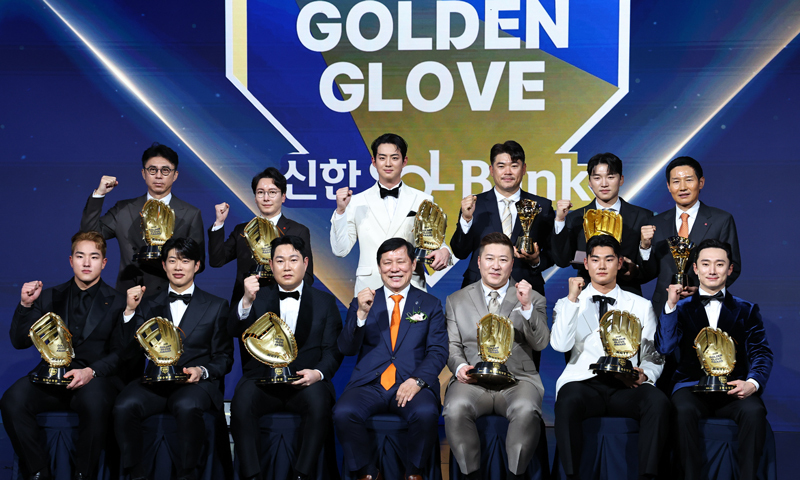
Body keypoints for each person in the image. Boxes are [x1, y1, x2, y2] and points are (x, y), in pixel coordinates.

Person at [1, 231, 127, 480]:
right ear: (71, 261)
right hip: (50, 379)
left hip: (92, 379)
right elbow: (19, 341)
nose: (87, 263)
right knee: (12, 400)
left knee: (95, 403)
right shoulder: (48, 296)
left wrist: (90, 372)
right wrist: (26, 305)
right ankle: (38, 471)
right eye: (80, 256)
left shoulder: (118, 301)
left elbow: (121, 352)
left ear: (104, 262)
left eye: (94, 257)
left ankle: (83, 474)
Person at [550, 235, 670, 480]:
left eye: (609, 259)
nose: (602, 266)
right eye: (595, 260)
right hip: (584, 383)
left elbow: (653, 354)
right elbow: (560, 345)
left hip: (625, 386)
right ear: (586, 264)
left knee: (657, 401)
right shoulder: (567, 304)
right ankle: (571, 475)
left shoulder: (640, 305)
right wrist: (572, 300)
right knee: (567, 400)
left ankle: (648, 475)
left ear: (620, 263)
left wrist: (645, 374)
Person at [113, 237, 233, 480]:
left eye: (185, 261)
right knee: (124, 406)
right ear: (164, 265)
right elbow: (127, 351)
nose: (178, 267)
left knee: (187, 406)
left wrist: (201, 371)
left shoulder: (217, 305)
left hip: (194, 384)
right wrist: (129, 312)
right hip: (155, 383)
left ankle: (188, 474)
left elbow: (224, 358)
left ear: (197, 266)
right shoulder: (147, 304)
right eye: (172, 261)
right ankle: (135, 474)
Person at [656, 239, 772, 480]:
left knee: (754, 412)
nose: (712, 270)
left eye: (719, 264)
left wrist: (752, 383)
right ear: (695, 268)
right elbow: (665, 347)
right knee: (682, 410)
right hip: (691, 386)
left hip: (733, 387)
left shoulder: (747, 309)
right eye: (705, 263)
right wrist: (670, 306)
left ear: (730, 269)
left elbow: (761, 352)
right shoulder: (680, 308)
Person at [333, 238, 448, 480]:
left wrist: (417, 381)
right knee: (343, 412)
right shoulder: (362, 302)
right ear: (379, 267)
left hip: (411, 383)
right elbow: (346, 348)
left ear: (413, 264)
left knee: (426, 412)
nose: (394, 269)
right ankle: (367, 472)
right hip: (369, 384)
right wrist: (361, 314)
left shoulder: (430, 304)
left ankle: (414, 473)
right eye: (387, 263)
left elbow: (438, 351)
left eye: (400, 262)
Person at [229, 235, 343, 480]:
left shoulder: (325, 301)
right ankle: (252, 475)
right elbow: (233, 331)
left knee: (319, 402)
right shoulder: (256, 297)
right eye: (280, 261)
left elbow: (333, 350)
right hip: (262, 380)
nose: (287, 267)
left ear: (305, 263)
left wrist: (318, 374)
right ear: (271, 265)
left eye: (293, 260)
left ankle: (302, 474)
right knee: (241, 401)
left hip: (306, 381)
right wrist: (246, 300)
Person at [443, 232, 550, 480]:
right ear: (479, 262)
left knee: (526, 409)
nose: (496, 266)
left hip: (518, 380)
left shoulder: (533, 298)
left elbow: (541, 343)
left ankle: (516, 474)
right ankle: (470, 475)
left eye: (503, 260)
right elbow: (452, 345)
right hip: (472, 380)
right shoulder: (456, 300)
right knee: (455, 408)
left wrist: (526, 308)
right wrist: (459, 367)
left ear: (512, 264)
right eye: (490, 258)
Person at [330, 133, 451, 294]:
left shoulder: (423, 200)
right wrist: (340, 211)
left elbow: (433, 242)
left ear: (404, 161)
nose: (388, 163)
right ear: (374, 162)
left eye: (394, 158)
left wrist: (444, 251)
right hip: (370, 287)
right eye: (382, 158)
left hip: (411, 284)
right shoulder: (356, 202)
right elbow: (340, 250)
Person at [81, 142, 205, 298]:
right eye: (152, 170)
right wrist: (99, 194)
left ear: (175, 175)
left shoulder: (190, 214)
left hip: (168, 297)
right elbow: (88, 235)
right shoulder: (124, 209)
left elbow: (199, 262)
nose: (158, 176)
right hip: (127, 296)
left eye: (165, 170)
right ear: (143, 173)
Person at [639, 156, 741, 317]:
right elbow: (648, 273)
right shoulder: (655, 223)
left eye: (688, 180)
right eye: (676, 181)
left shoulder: (721, 220)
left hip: (704, 308)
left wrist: (704, 291)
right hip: (663, 308)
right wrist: (644, 247)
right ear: (668, 186)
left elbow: (733, 267)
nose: (682, 187)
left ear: (701, 183)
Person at [450, 140, 555, 296]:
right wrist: (466, 219)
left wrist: (535, 261)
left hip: (525, 290)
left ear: (524, 169)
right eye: (501, 166)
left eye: (514, 166)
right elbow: (460, 252)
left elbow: (554, 253)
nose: (507, 172)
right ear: (491, 170)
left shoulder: (541, 206)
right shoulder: (474, 205)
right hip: (478, 290)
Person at [551, 152, 653, 295]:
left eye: (610, 177)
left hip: (628, 294)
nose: (604, 184)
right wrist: (560, 220)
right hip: (586, 294)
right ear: (590, 182)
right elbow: (562, 261)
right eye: (597, 178)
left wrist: (636, 264)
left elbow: (650, 270)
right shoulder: (576, 218)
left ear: (621, 179)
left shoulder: (643, 216)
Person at [209, 167, 314, 305]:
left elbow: (307, 276)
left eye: (272, 192)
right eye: (260, 192)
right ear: (255, 198)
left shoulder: (298, 231)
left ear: (283, 197)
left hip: (283, 305)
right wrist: (219, 222)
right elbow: (217, 261)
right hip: (245, 305)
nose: (266, 198)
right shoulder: (243, 230)